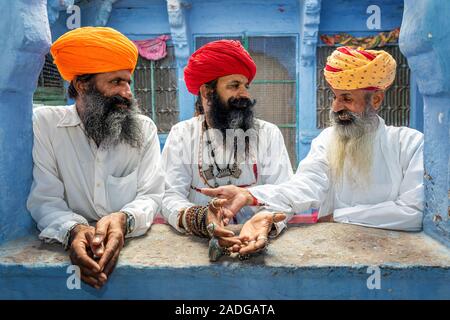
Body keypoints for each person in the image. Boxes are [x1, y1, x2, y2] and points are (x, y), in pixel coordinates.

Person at [203, 46, 424, 254]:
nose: (336, 107)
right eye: (335, 97)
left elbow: (413, 214)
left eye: (346, 98)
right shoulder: (327, 140)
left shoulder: (410, 144)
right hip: (337, 252)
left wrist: (338, 216)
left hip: (394, 253)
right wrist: (251, 195)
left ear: (375, 100)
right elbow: (305, 187)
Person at [27, 27, 165, 288]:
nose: (127, 93)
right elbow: (45, 199)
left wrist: (124, 219)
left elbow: (152, 195)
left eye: (128, 82)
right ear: (82, 85)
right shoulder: (45, 124)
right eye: (116, 82)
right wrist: (73, 231)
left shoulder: (144, 128)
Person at [161, 40, 293, 259]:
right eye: (234, 86)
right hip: (198, 247)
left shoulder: (268, 133)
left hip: (258, 243)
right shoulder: (182, 134)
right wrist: (201, 218)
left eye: (245, 86)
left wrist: (262, 224)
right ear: (206, 92)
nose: (244, 95)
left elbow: (285, 194)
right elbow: (169, 195)